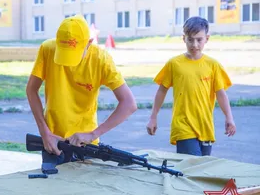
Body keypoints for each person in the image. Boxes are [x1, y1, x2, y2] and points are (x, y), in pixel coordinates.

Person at [26, 14, 137, 166]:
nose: (67, 62)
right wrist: (44, 133)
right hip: (52, 142)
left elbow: (129, 104)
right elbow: (31, 90)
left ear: (89, 43)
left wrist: (93, 134)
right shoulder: (47, 49)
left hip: (86, 145)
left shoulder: (101, 59)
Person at [146, 16, 236, 156]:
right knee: (192, 166)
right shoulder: (174, 64)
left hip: (205, 127)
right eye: (190, 39)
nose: (194, 44)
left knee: (201, 171)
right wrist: (153, 117)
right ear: (184, 38)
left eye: (199, 40)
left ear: (207, 38)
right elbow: (161, 91)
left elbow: (221, 93)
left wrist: (229, 118)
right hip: (183, 127)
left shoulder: (213, 65)